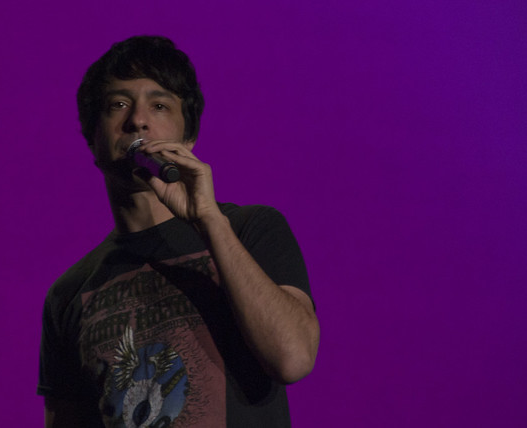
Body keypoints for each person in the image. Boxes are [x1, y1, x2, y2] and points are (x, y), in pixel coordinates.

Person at [37, 35, 320, 427]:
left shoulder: (249, 228)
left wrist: (208, 220)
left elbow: (293, 358)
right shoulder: (69, 292)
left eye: (159, 106)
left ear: (189, 136)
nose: (138, 120)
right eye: (118, 104)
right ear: (92, 137)